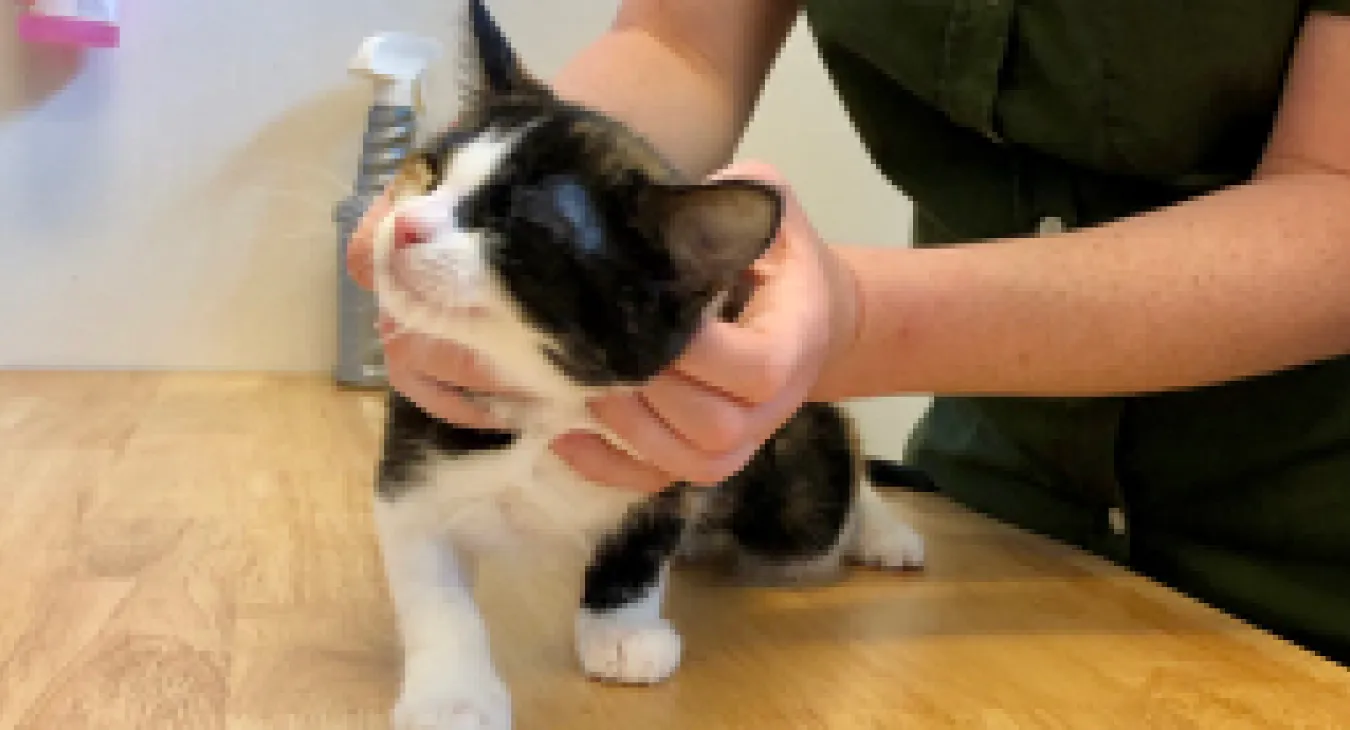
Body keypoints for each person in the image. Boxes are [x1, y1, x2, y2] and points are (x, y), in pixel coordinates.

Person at [348, 2, 1350, 665]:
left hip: (1305, 568)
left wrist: (861, 321)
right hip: (1006, 501)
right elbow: (682, 44)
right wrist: (516, 211)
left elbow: (1335, 198)